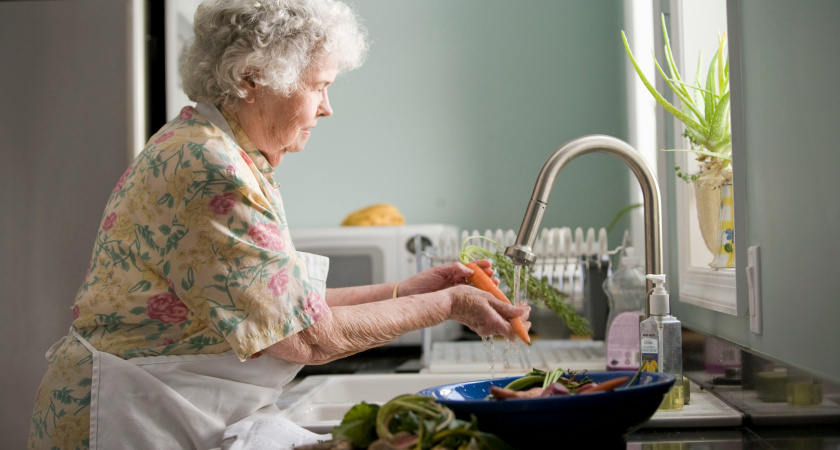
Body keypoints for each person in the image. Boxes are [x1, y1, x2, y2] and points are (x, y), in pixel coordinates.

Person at [27, 0, 530, 448]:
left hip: (158, 406)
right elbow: (305, 338)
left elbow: (277, 307)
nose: (328, 108)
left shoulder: (216, 150)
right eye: (319, 86)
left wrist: (404, 290)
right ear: (251, 78)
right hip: (126, 420)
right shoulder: (211, 170)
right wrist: (447, 303)